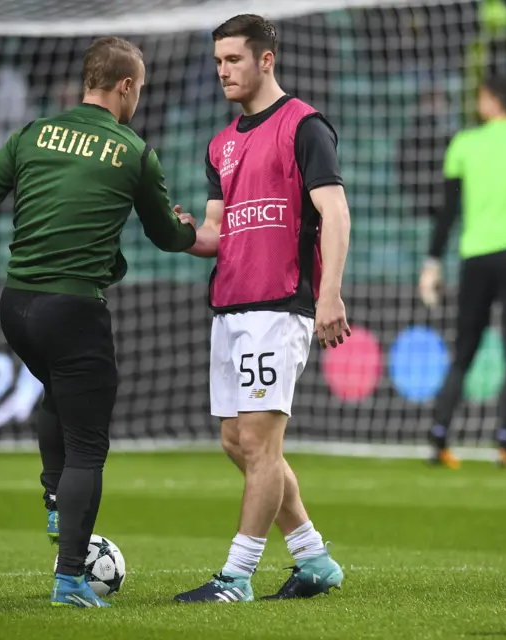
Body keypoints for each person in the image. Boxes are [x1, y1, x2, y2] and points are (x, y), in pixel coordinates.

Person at [0, 36, 197, 608]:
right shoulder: (134, 150)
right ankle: (69, 580)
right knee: (88, 448)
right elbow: (167, 235)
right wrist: (188, 228)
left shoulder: (33, 133)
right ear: (126, 86)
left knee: (57, 393)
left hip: (16, 307)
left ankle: (55, 503)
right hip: (74, 312)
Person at [173, 15, 351, 604]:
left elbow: (336, 213)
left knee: (261, 442)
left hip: (280, 305)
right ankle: (314, 558)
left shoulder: (305, 126)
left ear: (265, 60)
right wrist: (182, 234)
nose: (223, 70)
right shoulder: (220, 143)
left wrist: (328, 295)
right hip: (230, 305)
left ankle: (236, 577)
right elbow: (217, 234)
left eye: (234, 60)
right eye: (219, 60)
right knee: (237, 442)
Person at [418, 75, 506, 470]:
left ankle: (439, 436)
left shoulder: (464, 144)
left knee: (465, 351)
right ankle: (505, 442)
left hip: (475, 257)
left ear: (490, 100)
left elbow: (449, 211)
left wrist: (432, 262)